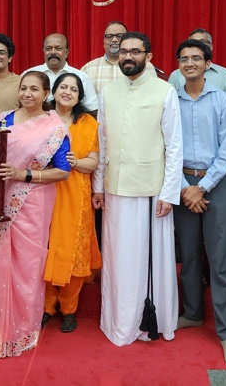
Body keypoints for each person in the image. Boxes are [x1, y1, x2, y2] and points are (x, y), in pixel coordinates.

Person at [92, 31, 183, 346]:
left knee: (147, 260)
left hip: (151, 191)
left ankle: (151, 321)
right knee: (119, 259)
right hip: (115, 189)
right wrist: (98, 185)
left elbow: (175, 146)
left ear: (149, 56)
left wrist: (169, 193)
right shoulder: (108, 92)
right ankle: (120, 321)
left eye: (135, 51)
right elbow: (102, 142)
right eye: (123, 51)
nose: (128, 56)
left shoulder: (165, 90)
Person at [0, 71, 71, 358]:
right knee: (1, 259)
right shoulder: (4, 119)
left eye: (34, 89)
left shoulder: (54, 127)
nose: (27, 94)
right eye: (23, 88)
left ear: (46, 94)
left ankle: (23, 329)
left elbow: (63, 171)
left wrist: (25, 175)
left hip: (34, 201)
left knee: (29, 264)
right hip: (2, 196)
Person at [172, 39, 226, 362]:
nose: (190, 63)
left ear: (207, 64)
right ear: (178, 65)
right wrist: (185, 187)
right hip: (182, 185)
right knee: (188, 255)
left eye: (196, 58)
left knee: (220, 260)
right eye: (184, 58)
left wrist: (202, 187)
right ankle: (192, 313)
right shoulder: (170, 99)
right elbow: (166, 146)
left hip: (217, 184)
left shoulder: (223, 100)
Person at [42, 73, 102, 333]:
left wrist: (76, 162)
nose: (67, 92)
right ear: (53, 91)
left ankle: (68, 309)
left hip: (75, 193)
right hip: (43, 191)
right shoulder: (41, 118)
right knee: (45, 248)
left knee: (72, 249)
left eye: (74, 89)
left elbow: (93, 162)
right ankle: (46, 307)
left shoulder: (88, 123)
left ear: (80, 96)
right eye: (63, 87)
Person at [24, 33, 99, 114]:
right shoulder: (29, 75)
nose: (53, 52)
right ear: (44, 51)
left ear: (67, 52)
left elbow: (92, 109)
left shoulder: (81, 77)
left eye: (58, 48)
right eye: (48, 49)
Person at [81, 21, 156, 95]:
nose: (114, 40)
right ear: (103, 42)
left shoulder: (145, 65)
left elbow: (153, 93)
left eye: (119, 36)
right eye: (109, 37)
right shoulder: (88, 68)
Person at [167, 28, 226, 97]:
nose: (198, 46)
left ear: (211, 46)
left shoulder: (225, 74)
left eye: (202, 42)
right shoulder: (175, 75)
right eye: (194, 42)